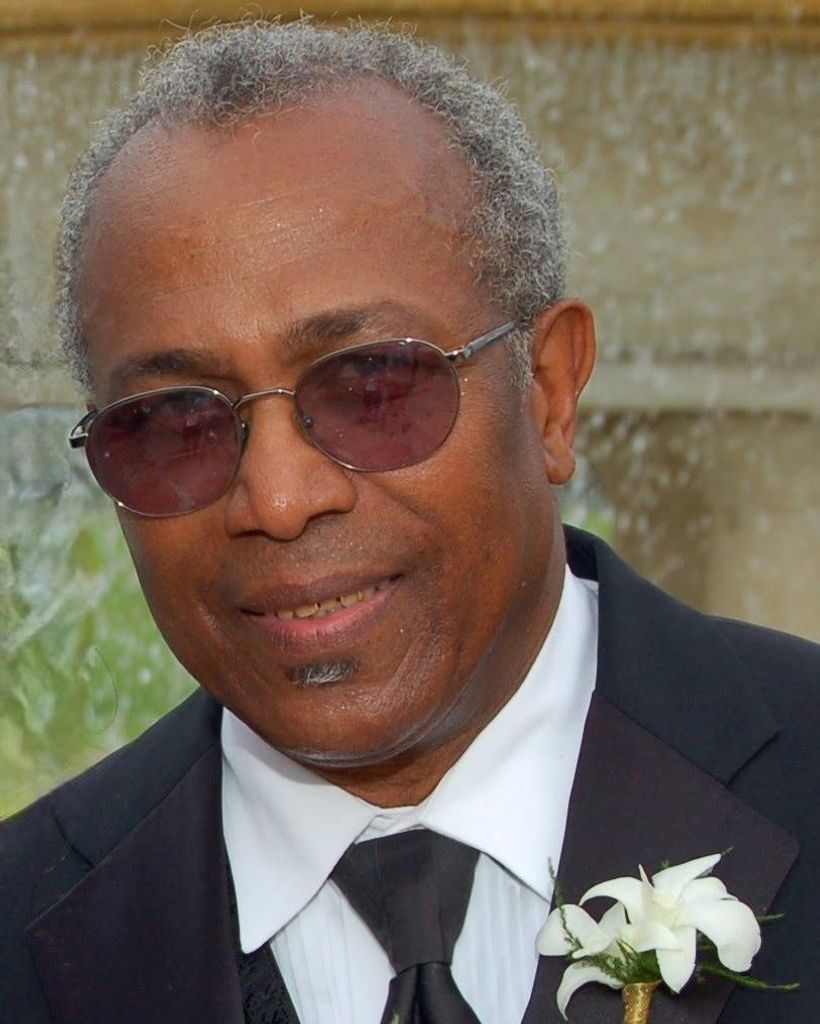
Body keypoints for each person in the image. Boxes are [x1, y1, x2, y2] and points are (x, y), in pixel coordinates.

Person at [1, 20, 816, 1024]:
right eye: (174, 422)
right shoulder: (22, 935)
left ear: (550, 393)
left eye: (372, 384)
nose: (279, 497)